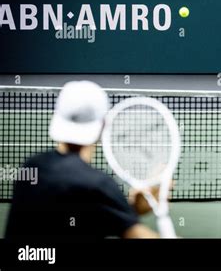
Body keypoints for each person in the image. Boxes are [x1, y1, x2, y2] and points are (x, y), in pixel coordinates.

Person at [5, 81, 160, 239]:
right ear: (103, 125)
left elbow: (76, 216)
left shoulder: (31, 168)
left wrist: (130, 210)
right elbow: (134, 234)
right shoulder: (98, 184)